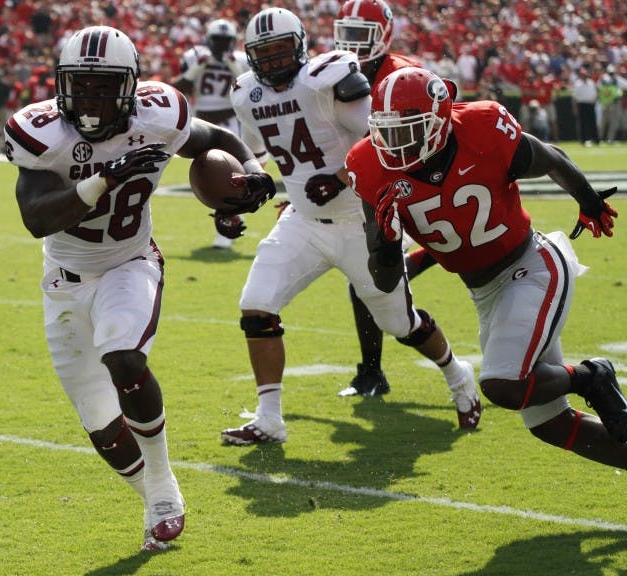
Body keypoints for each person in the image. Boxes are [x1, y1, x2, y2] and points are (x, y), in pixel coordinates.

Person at [4, 26, 274, 550]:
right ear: (61, 83)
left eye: (104, 86)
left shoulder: (158, 115)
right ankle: (151, 493)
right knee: (102, 426)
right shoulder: (40, 132)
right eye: (80, 85)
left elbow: (215, 140)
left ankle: (163, 481)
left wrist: (249, 174)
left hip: (131, 262)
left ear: (129, 86)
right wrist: (102, 179)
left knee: (125, 358)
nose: (90, 99)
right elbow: (36, 218)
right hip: (64, 279)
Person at [221, 8, 480, 446]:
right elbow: (257, 150)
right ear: (250, 57)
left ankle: (457, 375)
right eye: (264, 54)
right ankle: (269, 419)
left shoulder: (328, 80)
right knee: (256, 304)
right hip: (302, 221)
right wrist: (244, 187)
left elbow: (383, 136)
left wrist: (341, 176)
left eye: (282, 50)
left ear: (300, 46)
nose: (274, 62)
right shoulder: (248, 95)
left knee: (401, 324)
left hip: (361, 222)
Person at [346, 66, 627, 465]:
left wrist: (589, 201)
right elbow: (385, 279)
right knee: (551, 424)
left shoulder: (481, 126)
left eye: (408, 130)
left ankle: (591, 376)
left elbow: (549, 157)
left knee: (503, 385)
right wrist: (389, 243)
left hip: (533, 265)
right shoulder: (369, 165)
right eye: (387, 131)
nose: (395, 144)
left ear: (439, 121)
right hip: (485, 293)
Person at [332, 0, 439, 398]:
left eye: (362, 35)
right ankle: (372, 371)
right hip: (368, 190)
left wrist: (338, 176)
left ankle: (380, 370)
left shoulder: (405, 75)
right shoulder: (334, 70)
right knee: (367, 279)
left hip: (413, 187)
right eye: (348, 35)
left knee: (374, 278)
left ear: (384, 35)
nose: (353, 45)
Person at [173, 18, 251, 250]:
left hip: (229, 124)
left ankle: (228, 227)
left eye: (226, 41)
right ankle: (228, 221)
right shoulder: (194, 56)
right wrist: (199, 67)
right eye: (217, 40)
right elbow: (179, 89)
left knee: (231, 177)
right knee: (208, 176)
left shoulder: (241, 61)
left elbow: (247, 93)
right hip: (202, 126)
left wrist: (233, 67)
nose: (221, 45)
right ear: (208, 39)